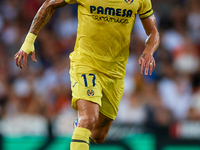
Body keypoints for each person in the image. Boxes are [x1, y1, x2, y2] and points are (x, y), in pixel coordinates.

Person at [14, 0, 160, 149]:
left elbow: (153, 31)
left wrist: (149, 50)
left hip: (115, 72)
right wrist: (29, 41)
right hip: (86, 64)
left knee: (98, 135)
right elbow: (49, 4)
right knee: (88, 119)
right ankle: (82, 122)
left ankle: (79, 125)